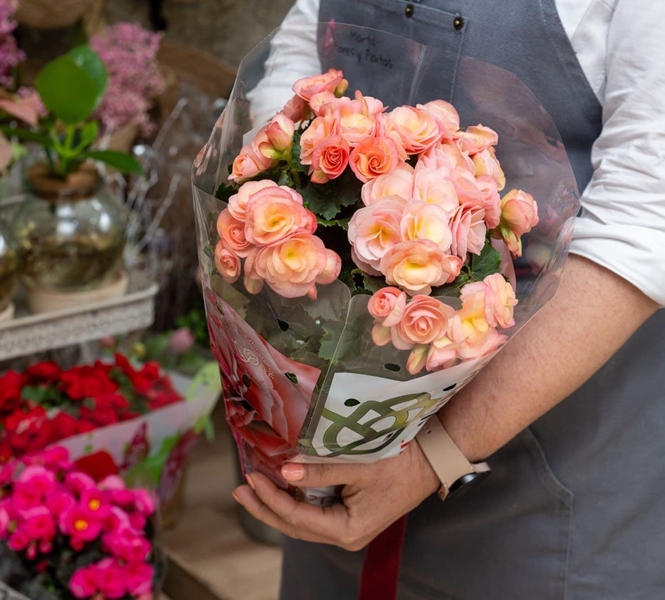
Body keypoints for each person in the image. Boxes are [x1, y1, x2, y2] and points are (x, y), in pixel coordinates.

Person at [232, 1, 665, 598]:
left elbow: (647, 217)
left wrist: (430, 457)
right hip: (334, 459)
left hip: (539, 486)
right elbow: (300, 53)